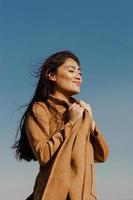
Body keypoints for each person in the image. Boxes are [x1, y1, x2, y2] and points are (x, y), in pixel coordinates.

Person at [12, 50, 109, 200]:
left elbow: (101, 156)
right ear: (51, 75)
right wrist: (70, 123)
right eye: (71, 70)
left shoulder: (81, 111)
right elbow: (44, 155)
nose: (78, 76)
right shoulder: (40, 109)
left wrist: (92, 124)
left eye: (80, 73)